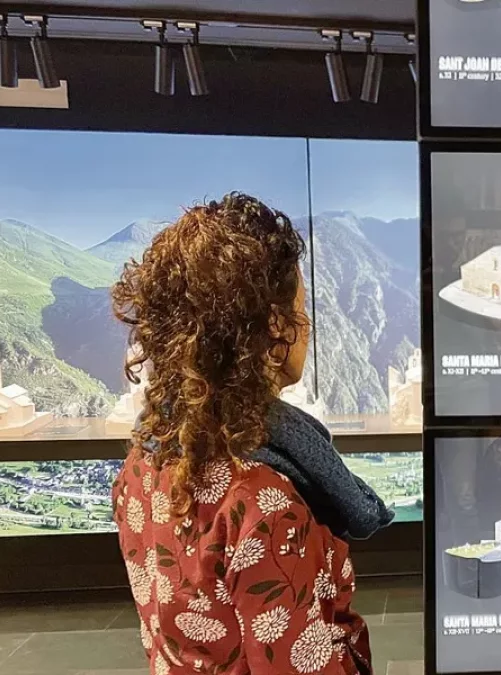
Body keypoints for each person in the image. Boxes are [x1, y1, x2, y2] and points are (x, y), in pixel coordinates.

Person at [110, 193, 388, 675]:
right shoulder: (264, 503)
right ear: (274, 327)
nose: (309, 327)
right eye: (301, 309)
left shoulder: (144, 461)